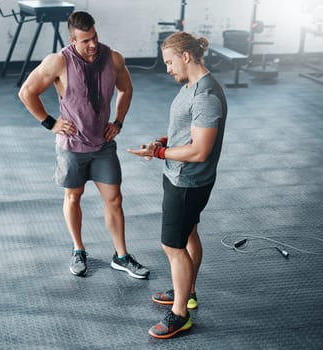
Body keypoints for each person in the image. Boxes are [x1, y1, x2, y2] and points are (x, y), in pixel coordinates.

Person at [19, 11, 149, 279]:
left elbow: (126, 89)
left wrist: (119, 121)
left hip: (102, 145)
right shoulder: (58, 62)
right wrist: (50, 123)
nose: (92, 45)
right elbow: (27, 92)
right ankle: (78, 249)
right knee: (73, 197)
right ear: (73, 40)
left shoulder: (113, 58)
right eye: (85, 40)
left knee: (114, 199)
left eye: (95, 37)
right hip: (71, 147)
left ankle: (121, 256)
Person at [127, 31, 227, 339]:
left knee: (172, 246)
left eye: (170, 62)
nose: (167, 68)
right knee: (188, 234)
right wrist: (162, 143)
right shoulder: (192, 87)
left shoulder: (206, 96)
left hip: (188, 181)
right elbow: (189, 133)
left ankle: (180, 314)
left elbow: (199, 150)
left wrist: (158, 153)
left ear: (186, 57)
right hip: (180, 177)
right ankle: (187, 292)